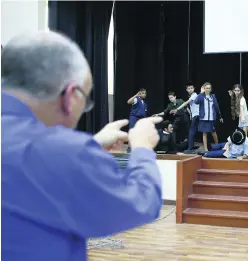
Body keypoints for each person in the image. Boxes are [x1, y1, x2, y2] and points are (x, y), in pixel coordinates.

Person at [1, 31, 163, 261]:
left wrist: (92, 144)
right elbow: (140, 203)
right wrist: (143, 148)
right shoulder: (61, 152)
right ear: (70, 95)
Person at [170, 83, 200, 152]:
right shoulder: (192, 96)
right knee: (195, 132)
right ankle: (191, 147)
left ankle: (190, 148)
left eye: (191, 88)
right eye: (189, 88)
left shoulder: (194, 95)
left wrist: (177, 109)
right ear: (186, 90)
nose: (190, 89)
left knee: (192, 132)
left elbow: (186, 103)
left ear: (194, 88)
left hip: (197, 115)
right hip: (195, 115)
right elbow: (190, 107)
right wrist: (190, 115)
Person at [194, 82, 223, 151]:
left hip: (211, 118)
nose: (208, 89)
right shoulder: (201, 96)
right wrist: (201, 93)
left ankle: (217, 145)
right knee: (204, 133)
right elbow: (196, 101)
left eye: (209, 88)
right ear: (204, 89)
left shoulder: (213, 96)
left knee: (213, 132)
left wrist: (220, 116)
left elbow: (216, 107)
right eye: (206, 88)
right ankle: (206, 149)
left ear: (211, 89)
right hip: (204, 118)